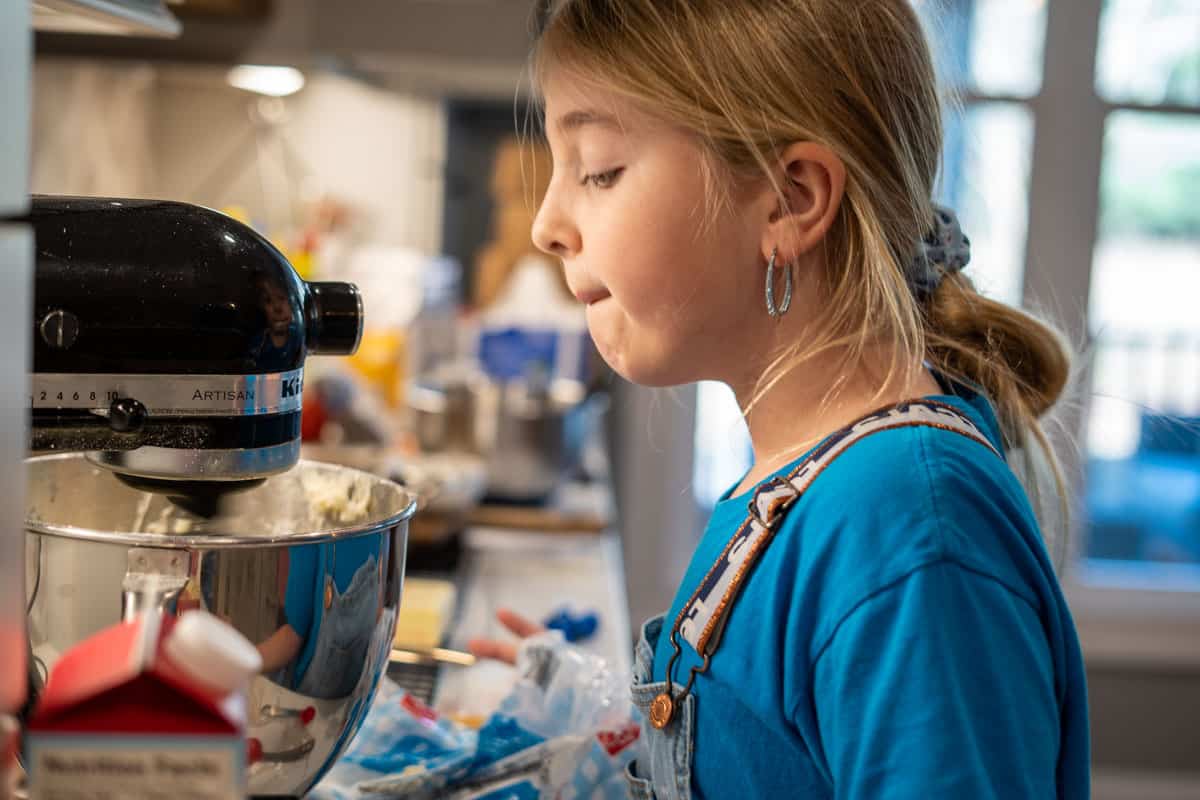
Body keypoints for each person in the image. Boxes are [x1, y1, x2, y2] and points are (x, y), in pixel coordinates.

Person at [469, 1, 1090, 798]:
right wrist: (600, 741)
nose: (547, 225)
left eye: (599, 169)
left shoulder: (909, 525)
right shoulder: (809, 479)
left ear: (790, 199)